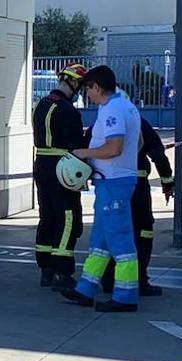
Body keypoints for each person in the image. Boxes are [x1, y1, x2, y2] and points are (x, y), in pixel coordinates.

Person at [61, 65, 142, 312]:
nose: (88, 95)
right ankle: (85, 288)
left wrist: (85, 153)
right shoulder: (126, 106)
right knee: (101, 239)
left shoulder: (113, 111)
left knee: (120, 240)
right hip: (114, 180)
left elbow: (114, 147)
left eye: (89, 90)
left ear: (97, 87)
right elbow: (138, 143)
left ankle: (126, 296)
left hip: (113, 183)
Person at [100, 115, 174, 297]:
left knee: (113, 231)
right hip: (137, 187)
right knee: (143, 233)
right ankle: (139, 280)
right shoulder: (139, 122)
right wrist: (167, 182)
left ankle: (109, 279)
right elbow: (157, 154)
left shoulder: (103, 122)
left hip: (113, 186)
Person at [32, 64, 88, 291]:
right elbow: (77, 145)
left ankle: (45, 270)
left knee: (47, 217)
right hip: (62, 168)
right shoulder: (68, 111)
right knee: (67, 219)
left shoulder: (41, 105)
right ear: (74, 83)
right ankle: (62, 273)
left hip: (42, 165)